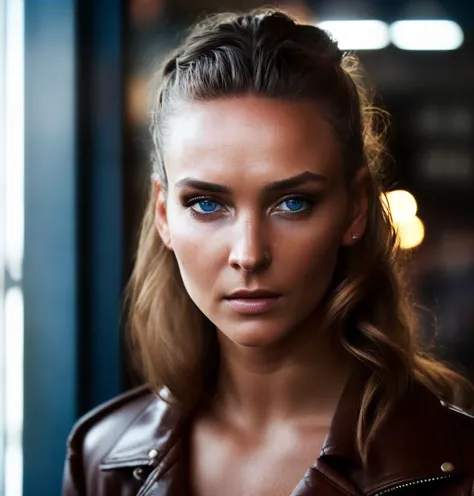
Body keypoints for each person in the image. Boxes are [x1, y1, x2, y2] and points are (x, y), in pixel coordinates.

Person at [62, 9, 474, 496]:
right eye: (207, 203)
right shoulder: (102, 459)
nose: (249, 254)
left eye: (293, 203)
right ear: (164, 214)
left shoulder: (458, 466)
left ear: (356, 208)